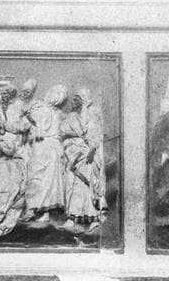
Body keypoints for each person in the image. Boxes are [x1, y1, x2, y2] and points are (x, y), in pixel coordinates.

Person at [19, 85, 68, 222]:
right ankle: (42, 211)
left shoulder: (40, 109)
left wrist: (25, 114)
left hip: (43, 145)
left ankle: (34, 209)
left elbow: (24, 124)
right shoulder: (58, 114)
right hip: (54, 146)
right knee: (48, 180)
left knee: (38, 177)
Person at [60, 89, 106, 232]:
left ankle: (92, 218)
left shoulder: (92, 114)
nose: (73, 102)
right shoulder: (71, 116)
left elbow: (96, 135)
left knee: (85, 185)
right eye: (73, 99)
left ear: (84, 99)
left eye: (77, 99)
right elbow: (62, 132)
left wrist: (91, 151)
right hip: (73, 154)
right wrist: (71, 136)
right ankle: (74, 217)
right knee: (73, 184)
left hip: (88, 154)